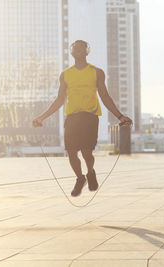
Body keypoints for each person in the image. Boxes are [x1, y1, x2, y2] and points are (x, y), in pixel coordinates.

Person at [32, 40, 132, 197]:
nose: (78, 50)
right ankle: (80, 178)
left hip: (90, 117)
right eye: (76, 48)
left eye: (81, 48)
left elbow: (105, 96)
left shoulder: (97, 72)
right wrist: (41, 117)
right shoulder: (65, 75)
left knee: (86, 153)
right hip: (72, 117)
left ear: (87, 51)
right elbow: (59, 100)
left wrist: (120, 116)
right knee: (71, 152)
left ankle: (90, 172)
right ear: (72, 52)